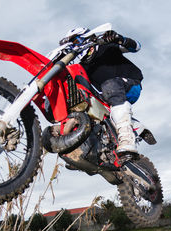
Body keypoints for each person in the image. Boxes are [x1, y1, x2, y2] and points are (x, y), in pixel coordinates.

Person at [61, 27, 155, 158]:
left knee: (110, 85)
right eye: (70, 44)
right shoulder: (82, 66)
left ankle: (127, 140)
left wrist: (120, 39)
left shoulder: (106, 47)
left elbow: (136, 47)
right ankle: (85, 150)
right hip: (108, 94)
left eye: (75, 41)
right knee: (81, 101)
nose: (73, 46)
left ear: (86, 37)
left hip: (130, 85)